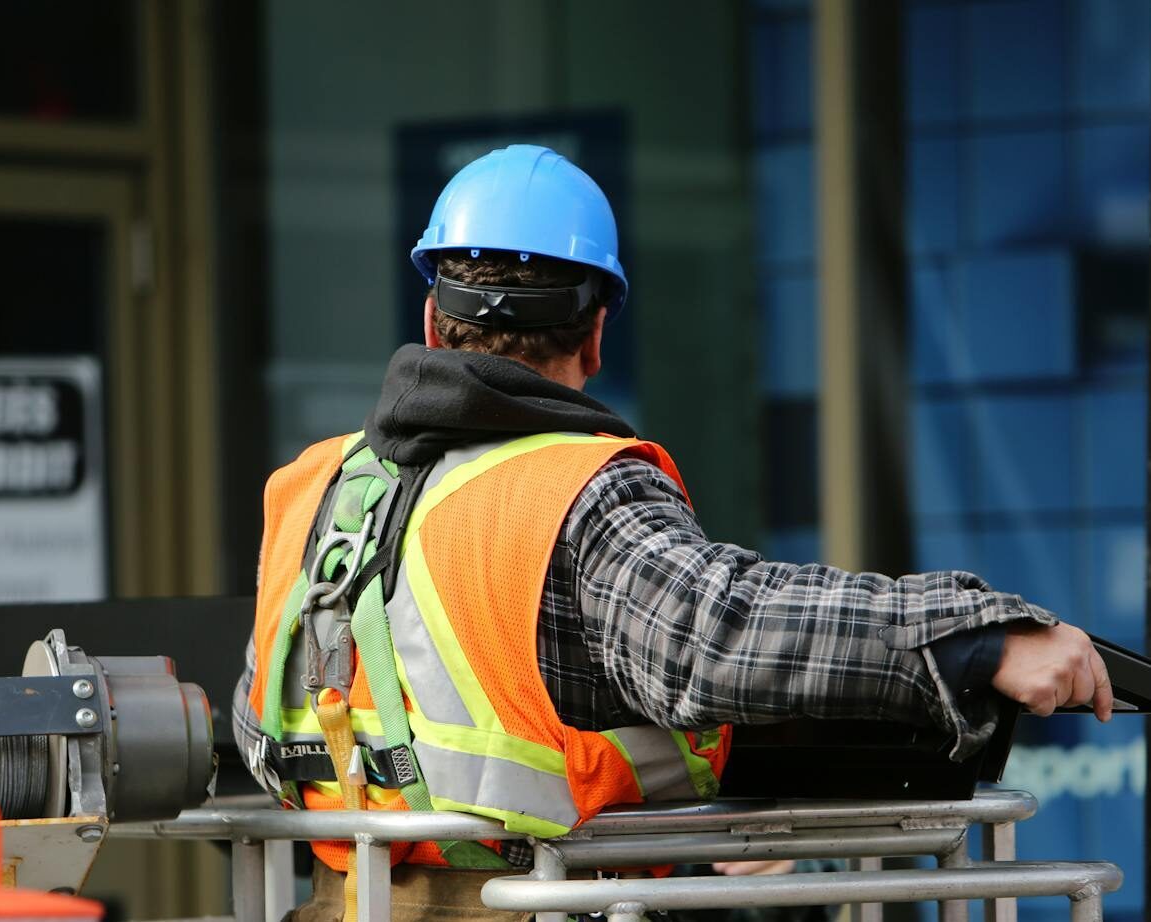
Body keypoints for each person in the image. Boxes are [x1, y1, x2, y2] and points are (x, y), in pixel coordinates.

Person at [233, 144, 1112, 921]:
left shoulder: (314, 487)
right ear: (598, 332)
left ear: (432, 321)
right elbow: (714, 634)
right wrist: (972, 637)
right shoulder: (573, 491)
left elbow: (261, 723)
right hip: (539, 905)